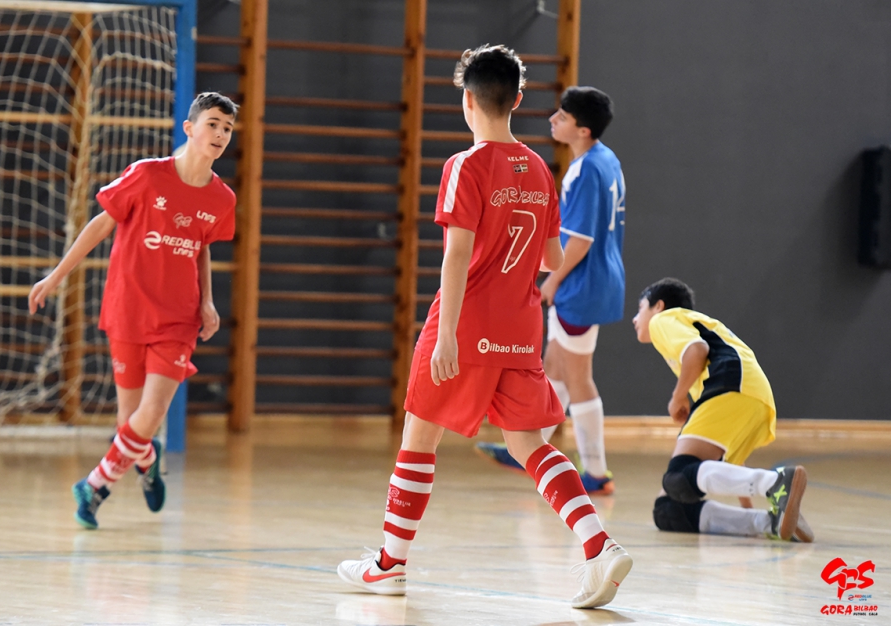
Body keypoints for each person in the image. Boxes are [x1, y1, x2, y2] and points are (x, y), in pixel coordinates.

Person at [337, 45, 632, 609]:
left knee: (418, 440)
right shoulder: (541, 170)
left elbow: (456, 255)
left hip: (466, 324)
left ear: (467, 101)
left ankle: (389, 565)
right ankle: (600, 544)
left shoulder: (464, 166)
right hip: (519, 328)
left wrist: (447, 334)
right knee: (529, 444)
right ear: (517, 100)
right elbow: (550, 257)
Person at [28, 92, 238, 529]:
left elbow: (201, 247)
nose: (220, 134)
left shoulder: (222, 198)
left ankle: (94, 486)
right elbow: (100, 224)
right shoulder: (146, 175)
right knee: (131, 423)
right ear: (189, 128)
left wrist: (206, 301)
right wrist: (56, 276)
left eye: (227, 128)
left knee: (152, 412)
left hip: (178, 319)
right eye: (213, 124)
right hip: (127, 309)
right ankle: (147, 458)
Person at [476, 86, 625, 497]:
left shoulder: (585, 170)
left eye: (562, 116)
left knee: (578, 377)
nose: (552, 120)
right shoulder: (607, 160)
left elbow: (579, 240)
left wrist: (553, 281)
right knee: (553, 366)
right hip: (601, 279)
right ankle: (530, 447)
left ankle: (596, 471)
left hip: (582, 284)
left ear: (582, 129)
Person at [632, 278, 813, 542]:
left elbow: (697, 350)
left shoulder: (664, 319)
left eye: (640, 309)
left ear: (658, 306)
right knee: (669, 509)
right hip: (750, 392)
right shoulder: (696, 331)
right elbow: (732, 464)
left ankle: (775, 483)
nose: (635, 318)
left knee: (679, 475)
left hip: (732, 382)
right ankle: (770, 522)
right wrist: (751, 505)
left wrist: (677, 397)